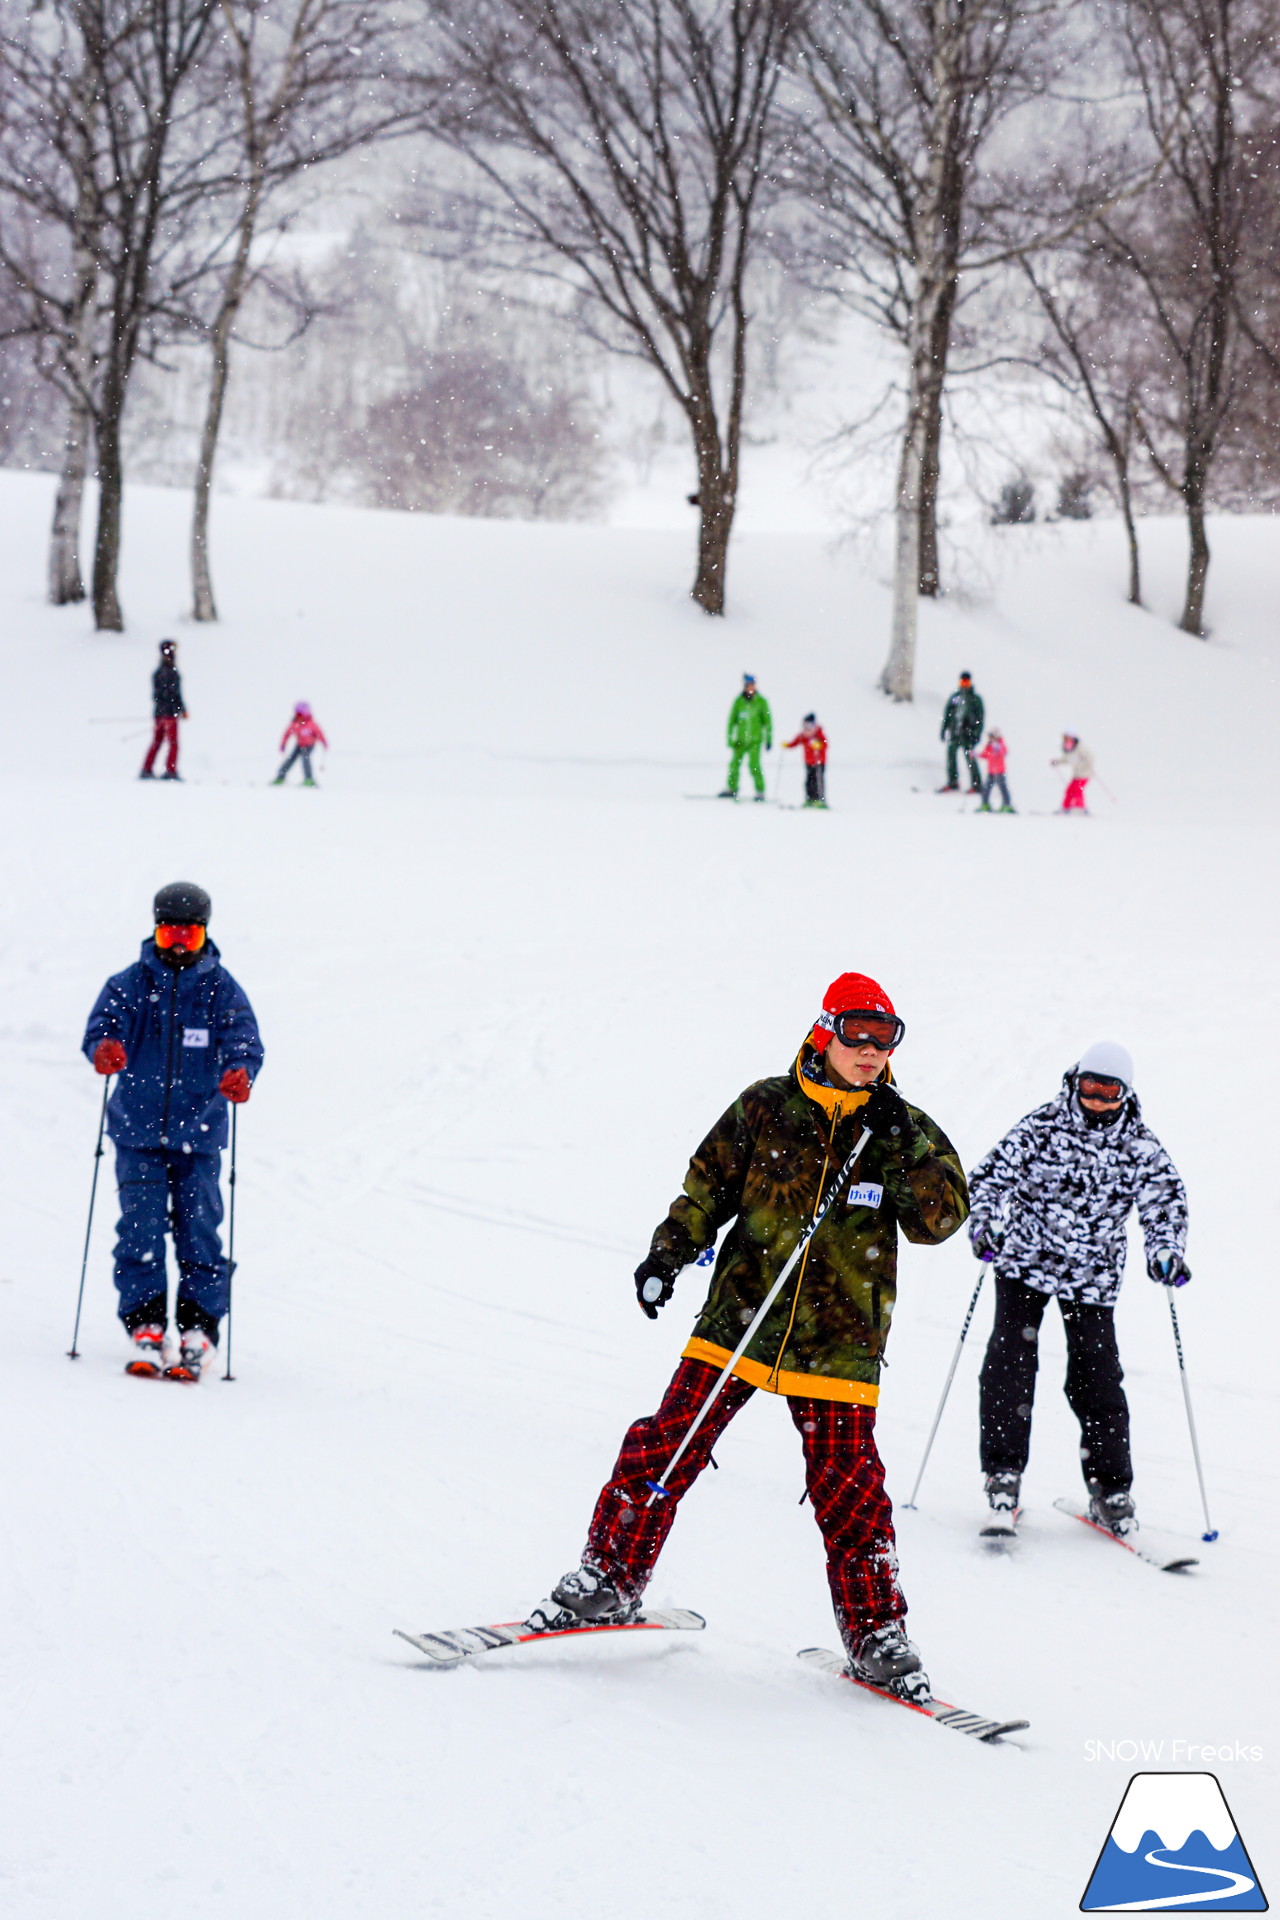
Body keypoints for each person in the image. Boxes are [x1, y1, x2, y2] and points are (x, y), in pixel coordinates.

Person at [529, 973, 969, 1699]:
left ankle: (877, 1634)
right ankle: (608, 1575)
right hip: (740, 1319)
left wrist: (899, 1148)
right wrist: (669, 1253)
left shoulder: (905, 1128)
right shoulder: (767, 1106)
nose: (869, 1050)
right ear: (826, 1031)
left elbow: (939, 1223)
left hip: (840, 1339)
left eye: (885, 1036)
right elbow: (708, 1188)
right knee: (666, 1443)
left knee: (852, 1491)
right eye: (856, 1032)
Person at [968, 1042, 1189, 1536]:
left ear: (1125, 1094)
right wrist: (987, 1225)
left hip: (1092, 1277)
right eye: (1090, 1086)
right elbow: (987, 1180)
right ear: (1075, 1082)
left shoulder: (1140, 1145)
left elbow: (1165, 1202)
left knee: (1098, 1379)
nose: (1097, 1099)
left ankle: (1111, 1489)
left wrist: (1165, 1249)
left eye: (1109, 1090)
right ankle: (1002, 1477)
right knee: (1009, 1365)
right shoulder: (1042, 1126)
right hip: (1025, 1261)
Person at [82, 882, 264, 1381]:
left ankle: (198, 1328)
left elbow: (245, 1042)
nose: (179, 943)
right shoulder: (130, 985)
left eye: (188, 933)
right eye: (168, 934)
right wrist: (104, 1048)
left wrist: (240, 1073)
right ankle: (145, 1324)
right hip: (137, 1133)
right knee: (139, 1231)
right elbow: (101, 1027)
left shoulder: (221, 990)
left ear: (204, 931)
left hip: (199, 1137)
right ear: (155, 931)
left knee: (199, 1232)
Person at [140, 640, 187, 782]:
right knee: (173, 743)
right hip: (170, 713)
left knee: (157, 741)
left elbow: (156, 695)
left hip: (159, 712)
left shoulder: (158, 672)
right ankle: (170, 771)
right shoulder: (171, 671)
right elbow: (175, 693)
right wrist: (181, 709)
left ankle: (147, 769)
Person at [720, 673, 772, 801]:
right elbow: (731, 721)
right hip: (740, 741)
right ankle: (732, 788)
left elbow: (768, 722)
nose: (750, 687)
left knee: (754, 765)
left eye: (752, 685)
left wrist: (769, 739)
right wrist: (730, 739)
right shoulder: (738, 702)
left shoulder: (761, 702)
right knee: (734, 764)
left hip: (755, 740)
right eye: (748, 685)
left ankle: (760, 790)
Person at [938, 672, 984, 793]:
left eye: (966, 682)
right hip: (954, 732)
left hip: (968, 734)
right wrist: (944, 728)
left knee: (970, 759)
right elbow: (947, 714)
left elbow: (980, 718)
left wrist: (977, 734)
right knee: (951, 756)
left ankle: (976, 784)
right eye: (962, 682)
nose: (964, 685)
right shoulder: (955, 697)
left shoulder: (975, 699)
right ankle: (953, 781)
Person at [273, 701, 328, 787]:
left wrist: (324, 742)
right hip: (299, 745)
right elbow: (287, 734)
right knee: (290, 759)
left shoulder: (311, 724)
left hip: (309, 745)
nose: (299, 717)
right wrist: (283, 744)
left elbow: (319, 733)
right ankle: (280, 777)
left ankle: (309, 779)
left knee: (305, 759)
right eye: (297, 714)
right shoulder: (294, 724)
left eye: (301, 715)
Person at [783, 712, 829, 807]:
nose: (806, 727)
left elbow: (825, 744)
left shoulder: (818, 734)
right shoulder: (803, 735)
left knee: (818, 781)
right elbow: (795, 742)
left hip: (819, 762)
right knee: (809, 782)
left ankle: (820, 800)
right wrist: (787, 745)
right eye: (805, 725)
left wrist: (819, 745)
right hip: (808, 762)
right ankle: (810, 799)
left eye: (808, 725)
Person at [1052, 733, 1094, 812]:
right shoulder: (1069, 749)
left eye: (1068, 738)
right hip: (1076, 775)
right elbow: (1065, 759)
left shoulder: (1080, 748)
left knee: (1077, 790)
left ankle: (1079, 808)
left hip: (1085, 774)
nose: (1067, 740)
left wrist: (1084, 765)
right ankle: (1066, 808)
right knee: (1069, 790)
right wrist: (1056, 762)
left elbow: (1090, 759)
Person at [976, 729, 1014, 813]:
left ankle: (1007, 805)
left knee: (1003, 788)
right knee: (986, 788)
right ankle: (985, 804)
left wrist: (998, 749)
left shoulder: (1000, 744)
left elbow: (1004, 752)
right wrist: (976, 755)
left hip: (1000, 771)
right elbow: (985, 754)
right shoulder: (989, 746)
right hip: (991, 772)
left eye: (992, 736)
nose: (990, 738)